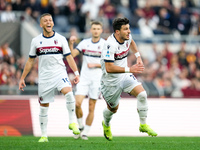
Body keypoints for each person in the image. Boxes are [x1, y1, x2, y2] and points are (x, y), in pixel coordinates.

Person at [18, 13, 80, 142]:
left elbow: (69, 57)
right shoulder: (36, 41)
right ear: (41, 25)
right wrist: (22, 78)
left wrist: (76, 73)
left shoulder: (61, 39)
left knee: (69, 93)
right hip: (45, 77)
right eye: (45, 21)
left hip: (59, 73)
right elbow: (30, 61)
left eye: (50, 20)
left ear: (53, 23)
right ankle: (44, 135)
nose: (48, 22)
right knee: (44, 106)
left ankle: (71, 122)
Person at [100, 17, 157, 141]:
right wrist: (129, 69)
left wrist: (138, 57)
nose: (129, 31)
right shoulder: (110, 45)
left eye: (129, 28)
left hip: (125, 76)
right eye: (125, 29)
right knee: (113, 109)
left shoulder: (127, 37)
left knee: (142, 94)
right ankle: (106, 124)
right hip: (110, 82)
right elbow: (109, 68)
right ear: (117, 32)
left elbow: (131, 42)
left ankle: (143, 125)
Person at [68, 21, 105, 140]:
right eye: (94, 28)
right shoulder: (85, 43)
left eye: (98, 29)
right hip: (84, 78)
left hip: (97, 80)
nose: (95, 31)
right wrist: (71, 43)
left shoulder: (105, 45)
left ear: (101, 31)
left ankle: (85, 133)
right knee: (77, 103)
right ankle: (80, 127)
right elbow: (72, 54)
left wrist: (95, 65)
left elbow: (109, 63)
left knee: (91, 106)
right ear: (90, 30)